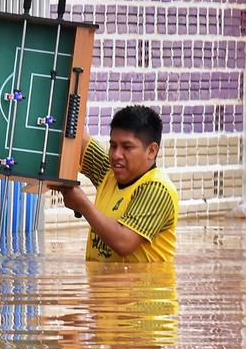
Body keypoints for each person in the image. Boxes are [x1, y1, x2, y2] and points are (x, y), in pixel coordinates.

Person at [53, 105, 178, 262]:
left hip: (142, 287)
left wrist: (82, 205)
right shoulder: (109, 172)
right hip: (103, 286)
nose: (116, 155)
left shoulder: (158, 189)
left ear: (151, 151)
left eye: (127, 147)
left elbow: (123, 242)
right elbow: (77, 139)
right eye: (113, 145)